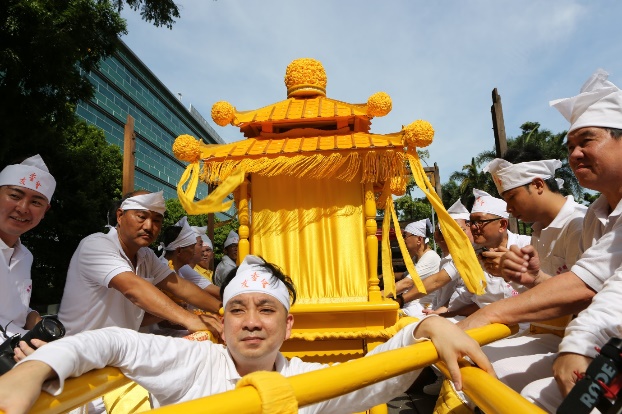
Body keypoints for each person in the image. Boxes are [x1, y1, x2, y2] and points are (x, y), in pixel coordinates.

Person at [0, 255, 495, 414]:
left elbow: (374, 377)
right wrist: (35, 368)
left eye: (266, 310)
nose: (252, 321)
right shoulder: (193, 361)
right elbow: (112, 341)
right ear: (222, 321)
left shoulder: (306, 381)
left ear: (288, 324)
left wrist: (429, 325)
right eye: (237, 309)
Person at [456, 69, 622, 401]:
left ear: (537, 185)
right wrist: (532, 279)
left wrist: (578, 343)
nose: (574, 155)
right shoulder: (594, 216)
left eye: (586, 141)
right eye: (570, 146)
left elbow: (586, 289)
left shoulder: (578, 222)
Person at [472, 157, 587, 393]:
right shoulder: (539, 231)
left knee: (488, 367)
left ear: (537, 185)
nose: (508, 208)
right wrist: (517, 275)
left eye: (512, 197)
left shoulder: (579, 224)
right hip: (543, 331)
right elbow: (542, 287)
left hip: (575, 339)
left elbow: (581, 296)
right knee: (476, 357)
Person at [56, 190, 222, 337]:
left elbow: (181, 286)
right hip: (81, 350)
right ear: (120, 216)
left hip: (121, 349)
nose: (149, 226)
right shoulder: (96, 244)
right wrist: (190, 319)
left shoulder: (146, 255)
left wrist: (224, 310)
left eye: (157, 220)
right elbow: (133, 288)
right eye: (142, 217)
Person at [442, 189, 531, 317]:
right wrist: (446, 314)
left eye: (480, 221)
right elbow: (479, 302)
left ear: (502, 225)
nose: (473, 227)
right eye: (472, 222)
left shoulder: (527, 246)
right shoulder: (475, 253)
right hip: (486, 320)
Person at [0, 155, 55, 349]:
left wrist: (33, 317)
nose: (23, 208)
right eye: (15, 196)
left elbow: (11, 308)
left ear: (45, 211)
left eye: (36, 202)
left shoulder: (25, 256)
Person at [399, 199, 474, 315]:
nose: (450, 235)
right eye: (445, 231)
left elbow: (435, 282)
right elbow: (444, 294)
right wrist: (437, 311)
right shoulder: (453, 257)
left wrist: (399, 300)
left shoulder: (433, 257)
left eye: (405, 236)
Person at [160, 217, 220, 299]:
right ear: (179, 251)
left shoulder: (182, 268)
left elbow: (208, 288)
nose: (194, 251)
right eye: (192, 247)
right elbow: (191, 295)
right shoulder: (164, 269)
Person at [394, 218, 441, 316]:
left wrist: (378, 295)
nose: (402, 240)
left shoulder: (431, 257)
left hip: (421, 310)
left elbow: (406, 283)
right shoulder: (417, 258)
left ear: (419, 240)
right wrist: (382, 277)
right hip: (411, 308)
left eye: (405, 236)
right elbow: (404, 276)